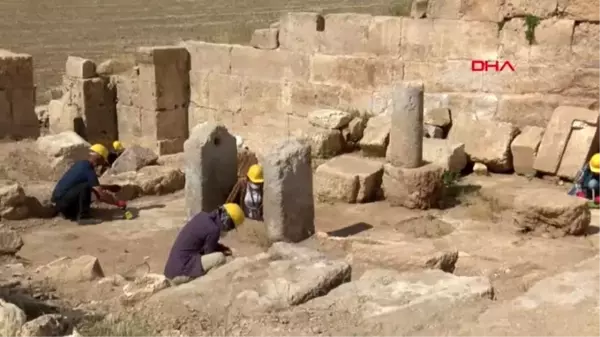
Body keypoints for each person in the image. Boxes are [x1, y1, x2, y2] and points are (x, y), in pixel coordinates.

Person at [163, 203, 245, 281]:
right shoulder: (214, 230)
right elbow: (209, 253)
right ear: (228, 223)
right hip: (181, 274)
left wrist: (223, 248)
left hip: (171, 271)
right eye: (231, 227)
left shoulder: (202, 216)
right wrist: (224, 253)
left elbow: (204, 244)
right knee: (220, 258)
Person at [51, 144, 127, 225]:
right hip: (64, 205)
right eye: (102, 160)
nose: (101, 164)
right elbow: (100, 194)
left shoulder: (82, 164)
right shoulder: (88, 168)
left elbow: (92, 186)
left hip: (60, 203)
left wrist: (109, 187)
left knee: (86, 187)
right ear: (99, 157)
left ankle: (71, 213)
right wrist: (117, 202)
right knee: (86, 187)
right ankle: (84, 217)